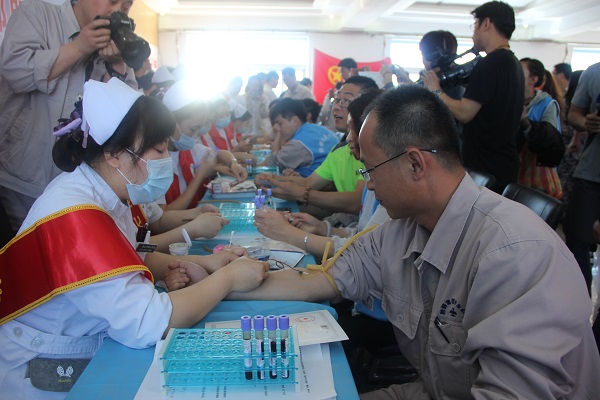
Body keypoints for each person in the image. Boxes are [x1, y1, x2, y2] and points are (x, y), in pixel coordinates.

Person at [170, 84, 600, 399]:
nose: (369, 186)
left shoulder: (516, 255)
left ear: (415, 164)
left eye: (370, 169)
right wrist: (216, 282)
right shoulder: (401, 230)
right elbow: (317, 280)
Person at [0, 78, 269, 399]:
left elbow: (135, 253)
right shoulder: (76, 213)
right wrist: (228, 278)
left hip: (85, 339)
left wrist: (200, 262)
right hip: (48, 363)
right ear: (115, 154)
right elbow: (148, 322)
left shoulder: (107, 191)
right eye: (159, 150)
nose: (166, 158)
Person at [0, 0, 140, 235]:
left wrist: (117, 65)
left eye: (126, 6)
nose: (118, 11)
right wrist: (80, 47)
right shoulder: (37, 14)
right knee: (22, 250)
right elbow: (16, 74)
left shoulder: (116, 44)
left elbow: (129, 116)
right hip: (20, 175)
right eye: (112, 1)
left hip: (76, 185)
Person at [254, 89, 387, 259]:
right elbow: (361, 234)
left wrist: (289, 234)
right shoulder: (345, 154)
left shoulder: (386, 185)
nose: (337, 107)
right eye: (336, 100)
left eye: (345, 100)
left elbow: (364, 252)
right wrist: (322, 228)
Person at [423, 0, 524, 194]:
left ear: (486, 23)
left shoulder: (491, 63)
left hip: (486, 166)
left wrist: (435, 90)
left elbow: (464, 112)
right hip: (504, 163)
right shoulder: (513, 62)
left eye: (475, 25)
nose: (473, 33)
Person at [564, 61, 600, 294]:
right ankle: (579, 299)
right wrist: (586, 123)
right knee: (577, 241)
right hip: (591, 173)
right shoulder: (594, 72)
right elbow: (574, 114)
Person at [516, 58, 563, 198]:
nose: (514, 74)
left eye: (519, 71)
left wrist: (526, 123)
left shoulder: (546, 104)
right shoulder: (510, 99)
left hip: (533, 174)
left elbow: (549, 141)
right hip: (513, 170)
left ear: (533, 79)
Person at [264, 98, 339, 177]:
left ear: (294, 121)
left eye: (280, 123)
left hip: (316, 183)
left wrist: (278, 135)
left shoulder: (298, 144)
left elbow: (273, 164)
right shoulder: (318, 129)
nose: (277, 128)